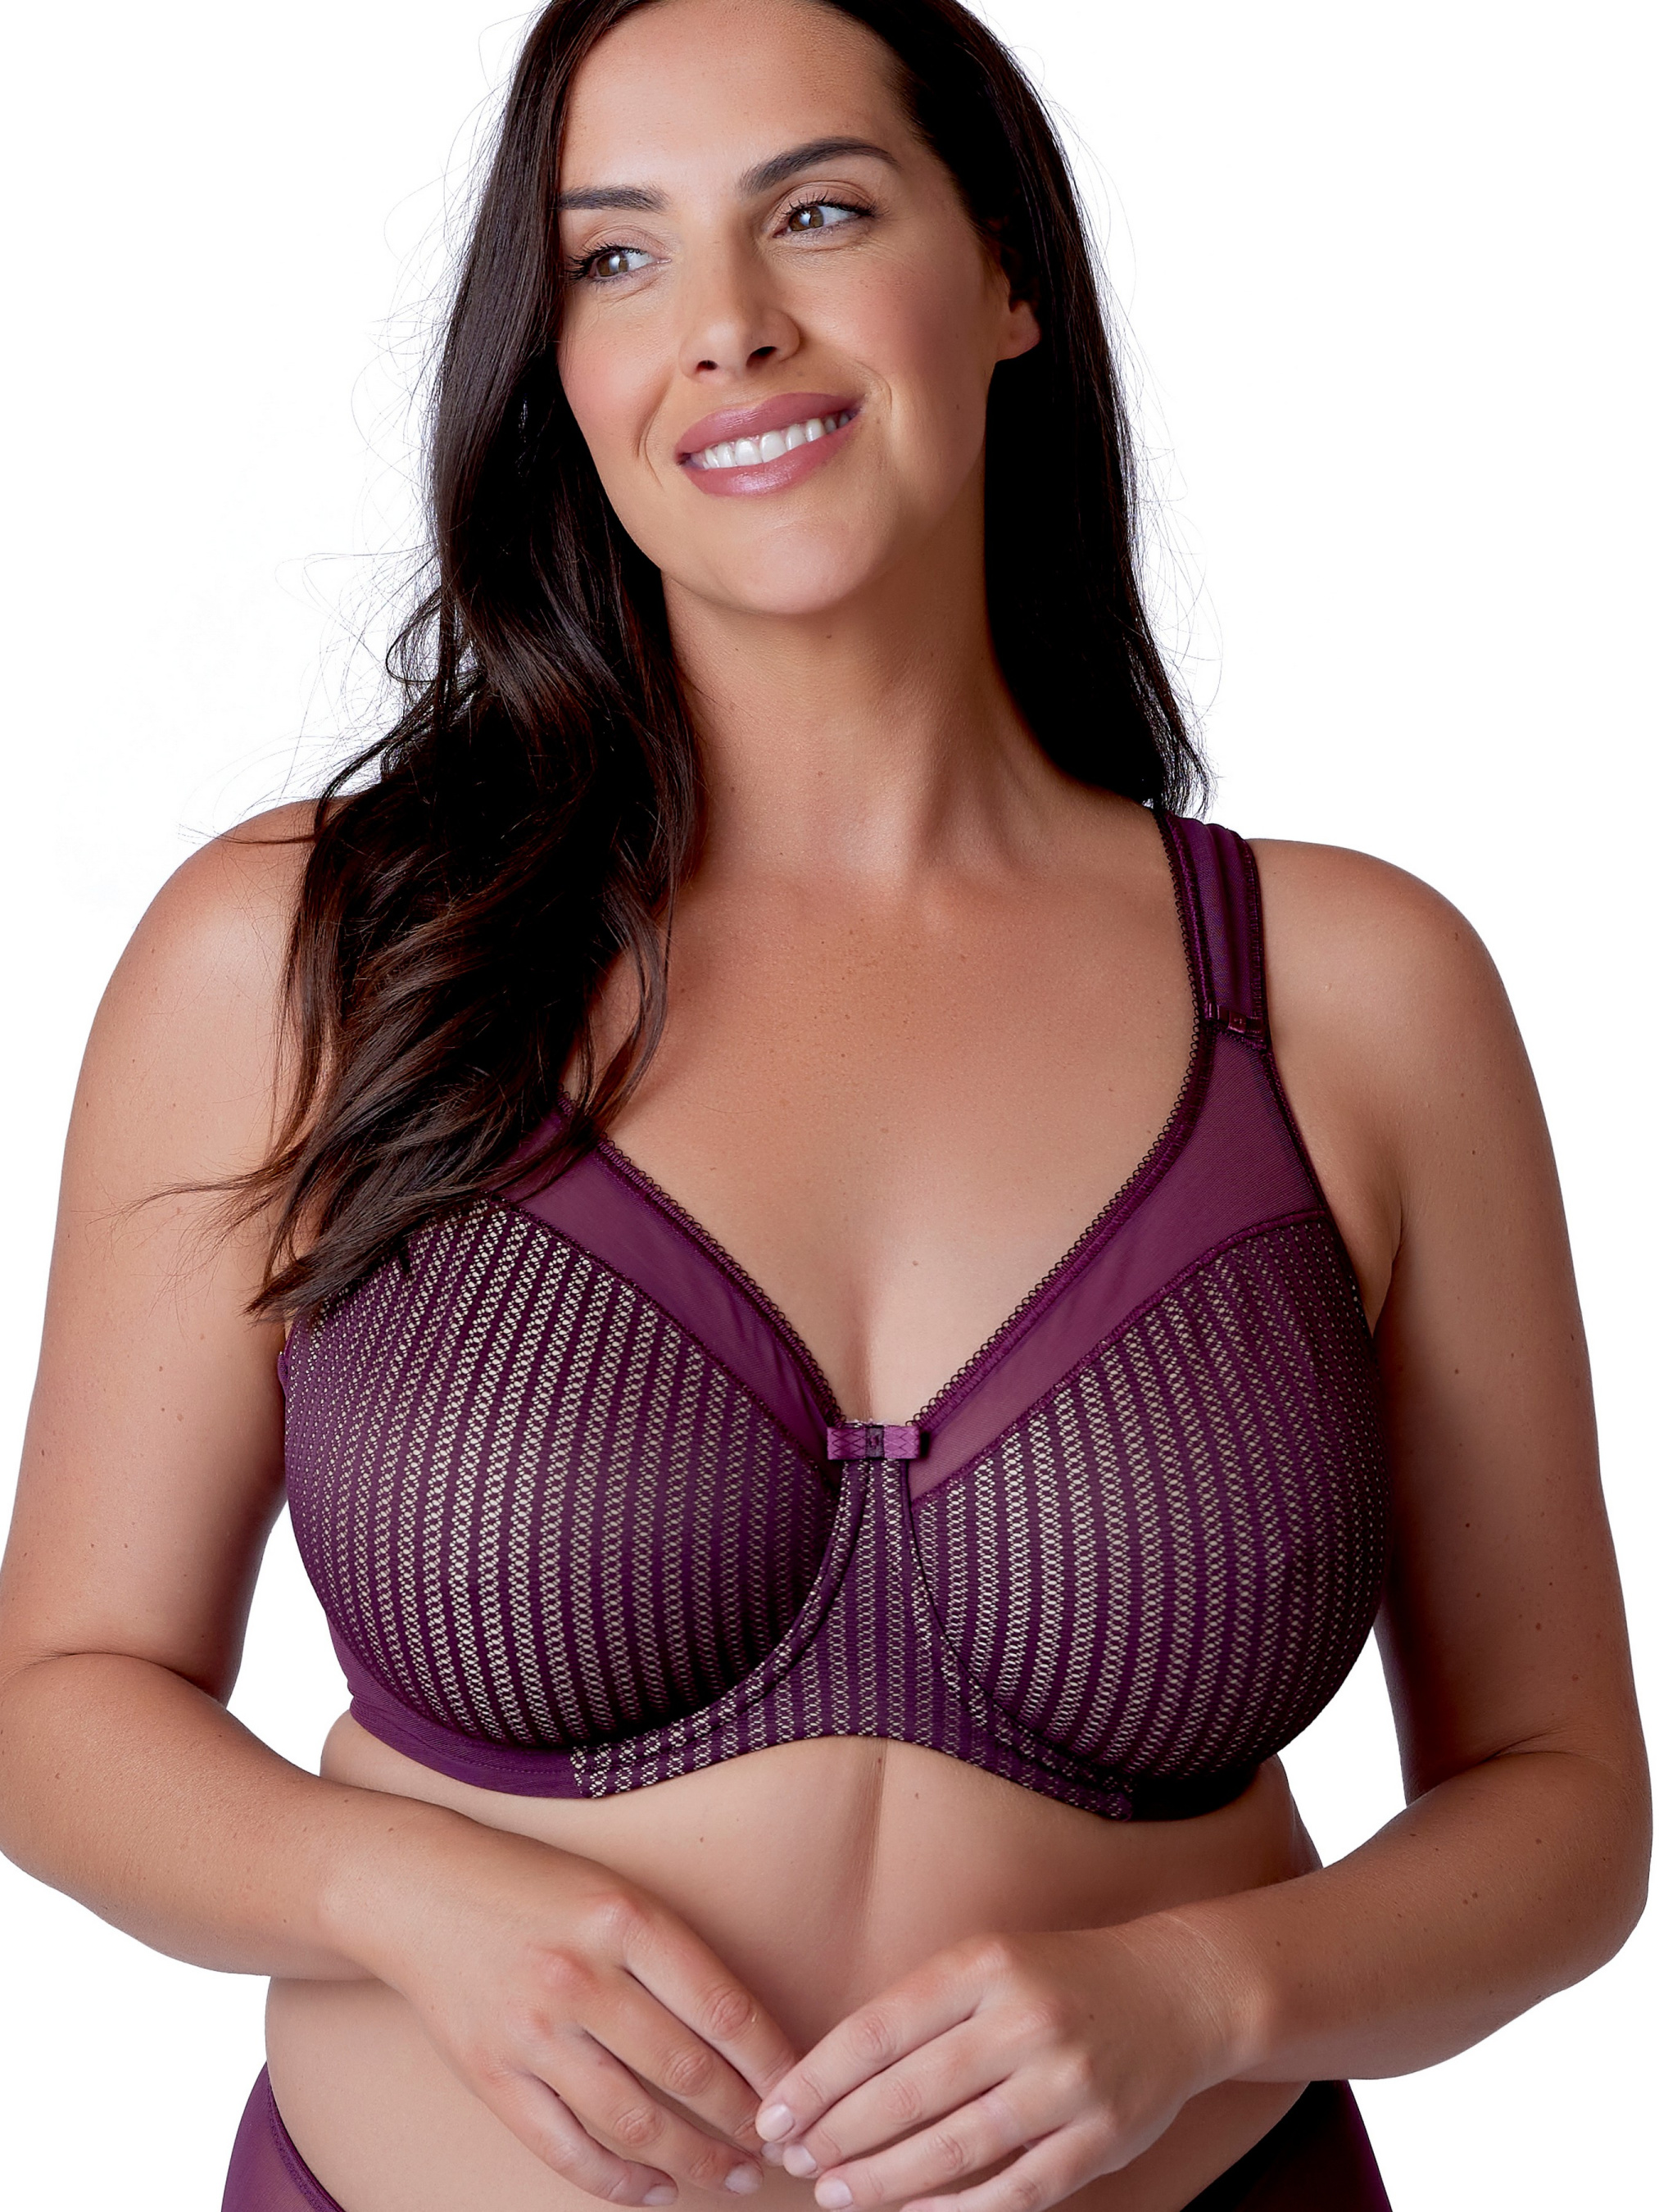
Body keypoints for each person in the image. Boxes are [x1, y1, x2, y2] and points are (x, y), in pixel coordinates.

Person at [0, 1, 1647, 2207]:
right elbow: (63, 1699)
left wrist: (1206, 1990)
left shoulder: (1349, 996)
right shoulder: (307, 953)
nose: (727, 326)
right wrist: (393, 1895)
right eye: (618, 257)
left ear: (1006, 273)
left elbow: (1561, 1801)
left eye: (819, 213)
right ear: (555, 366)